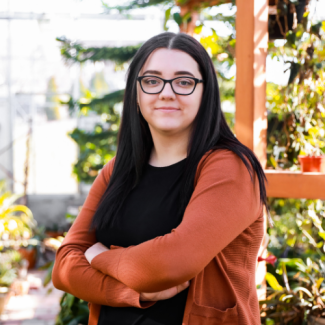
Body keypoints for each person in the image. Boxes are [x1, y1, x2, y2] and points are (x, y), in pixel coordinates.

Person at [52, 32, 269, 325]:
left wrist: (99, 256)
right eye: (152, 81)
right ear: (136, 94)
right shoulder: (118, 170)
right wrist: (130, 292)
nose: (167, 93)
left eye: (184, 81)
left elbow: (171, 263)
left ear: (206, 93)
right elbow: (65, 265)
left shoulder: (231, 168)